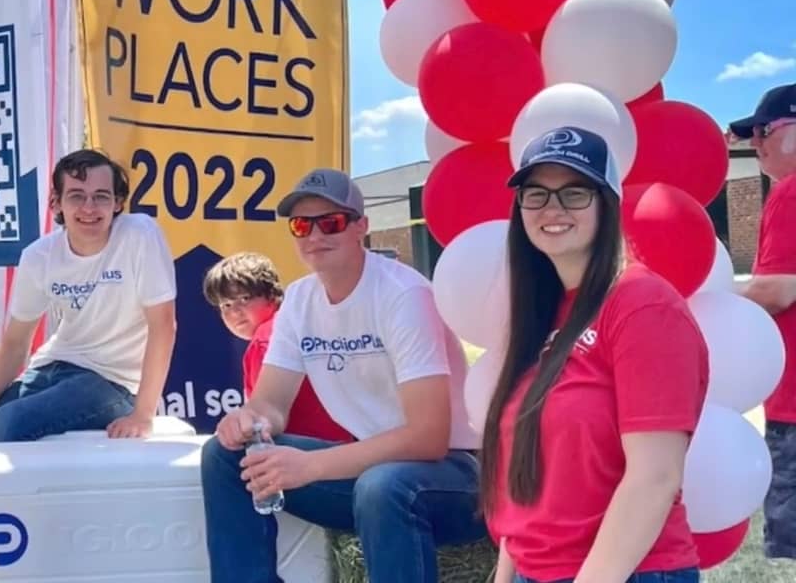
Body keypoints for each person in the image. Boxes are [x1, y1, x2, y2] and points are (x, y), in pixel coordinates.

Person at [200, 167, 484, 583]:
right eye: (301, 225)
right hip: (374, 474)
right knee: (225, 454)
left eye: (330, 222)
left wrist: (312, 466)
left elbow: (429, 438)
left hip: (455, 475)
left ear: (361, 227)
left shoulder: (403, 295)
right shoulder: (300, 299)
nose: (315, 236)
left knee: (382, 486)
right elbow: (271, 403)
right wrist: (250, 421)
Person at [482, 126, 710, 583]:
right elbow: (527, 478)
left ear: (607, 204)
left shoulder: (643, 305)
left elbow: (655, 477)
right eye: (536, 194)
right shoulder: (544, 313)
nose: (553, 209)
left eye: (575, 193)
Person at [0, 149, 177, 441]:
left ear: (117, 202)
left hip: (112, 382)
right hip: (51, 366)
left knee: (7, 425)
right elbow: (15, 344)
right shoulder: (39, 256)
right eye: (76, 196)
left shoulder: (139, 234)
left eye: (101, 196)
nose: (89, 208)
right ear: (56, 203)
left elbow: (163, 326)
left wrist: (143, 415)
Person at [730, 83, 796, 560]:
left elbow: (776, 291)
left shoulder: (791, 191)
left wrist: (705, 300)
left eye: (764, 130)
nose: (755, 142)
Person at [201, 251, 352, 442]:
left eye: (244, 299)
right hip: (343, 442)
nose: (235, 312)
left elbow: (261, 420)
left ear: (273, 295)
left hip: (306, 449)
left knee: (218, 450)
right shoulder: (300, 324)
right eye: (226, 305)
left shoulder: (266, 341)